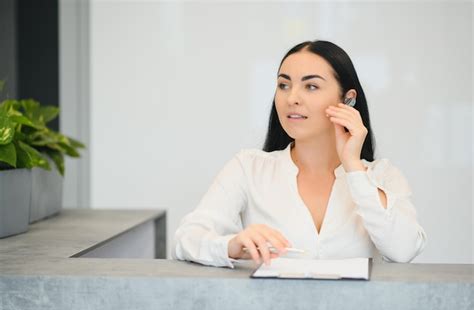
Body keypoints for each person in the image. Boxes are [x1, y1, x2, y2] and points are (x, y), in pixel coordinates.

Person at [172, 40, 427, 268]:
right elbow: (186, 239)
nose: (291, 97)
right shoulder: (249, 167)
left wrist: (353, 165)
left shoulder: (383, 176)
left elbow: (403, 250)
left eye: (311, 86)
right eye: (284, 85)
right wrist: (232, 246)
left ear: (348, 100)